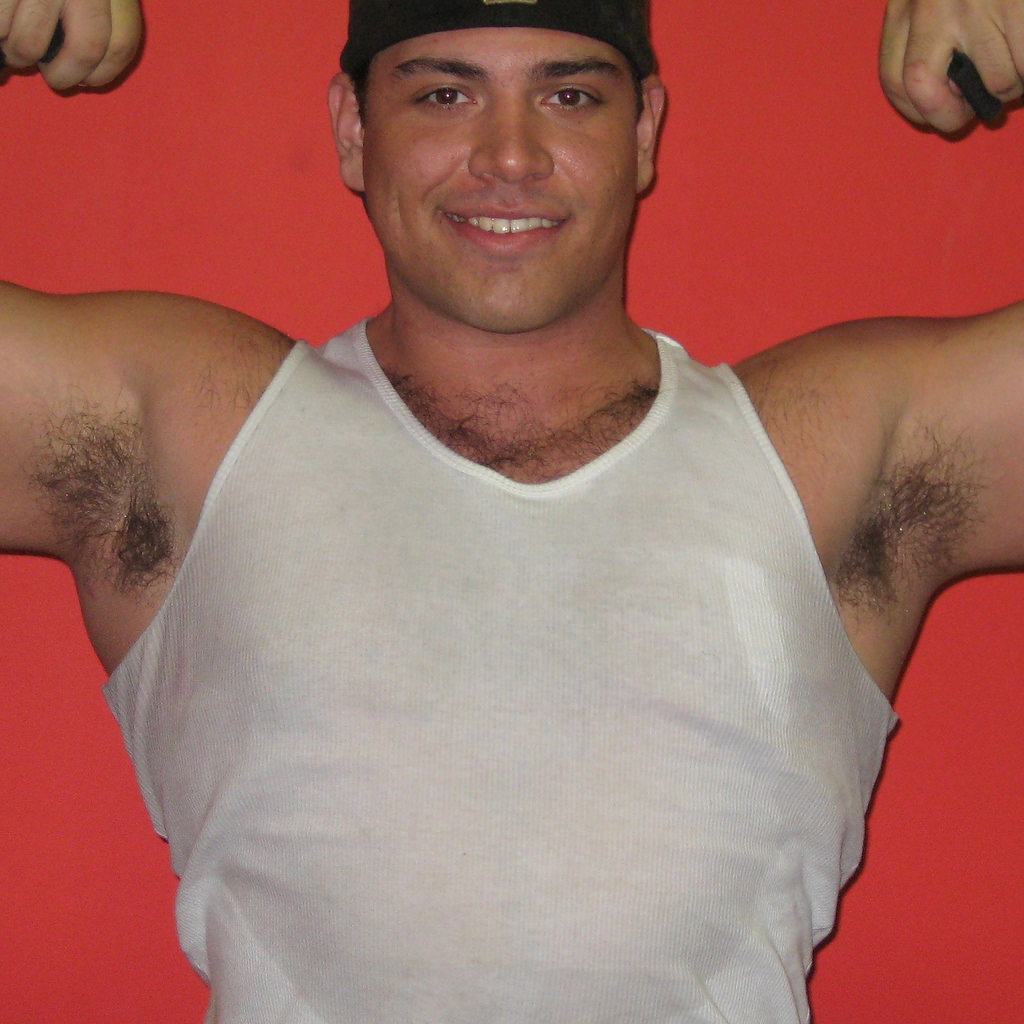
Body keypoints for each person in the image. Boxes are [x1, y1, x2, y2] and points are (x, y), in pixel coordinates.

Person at [2, 0, 1023, 1021]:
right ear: (354, 129)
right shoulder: (184, 435)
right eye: (444, 95)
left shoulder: (829, 453)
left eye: (568, 96)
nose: (510, 156)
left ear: (643, 132)